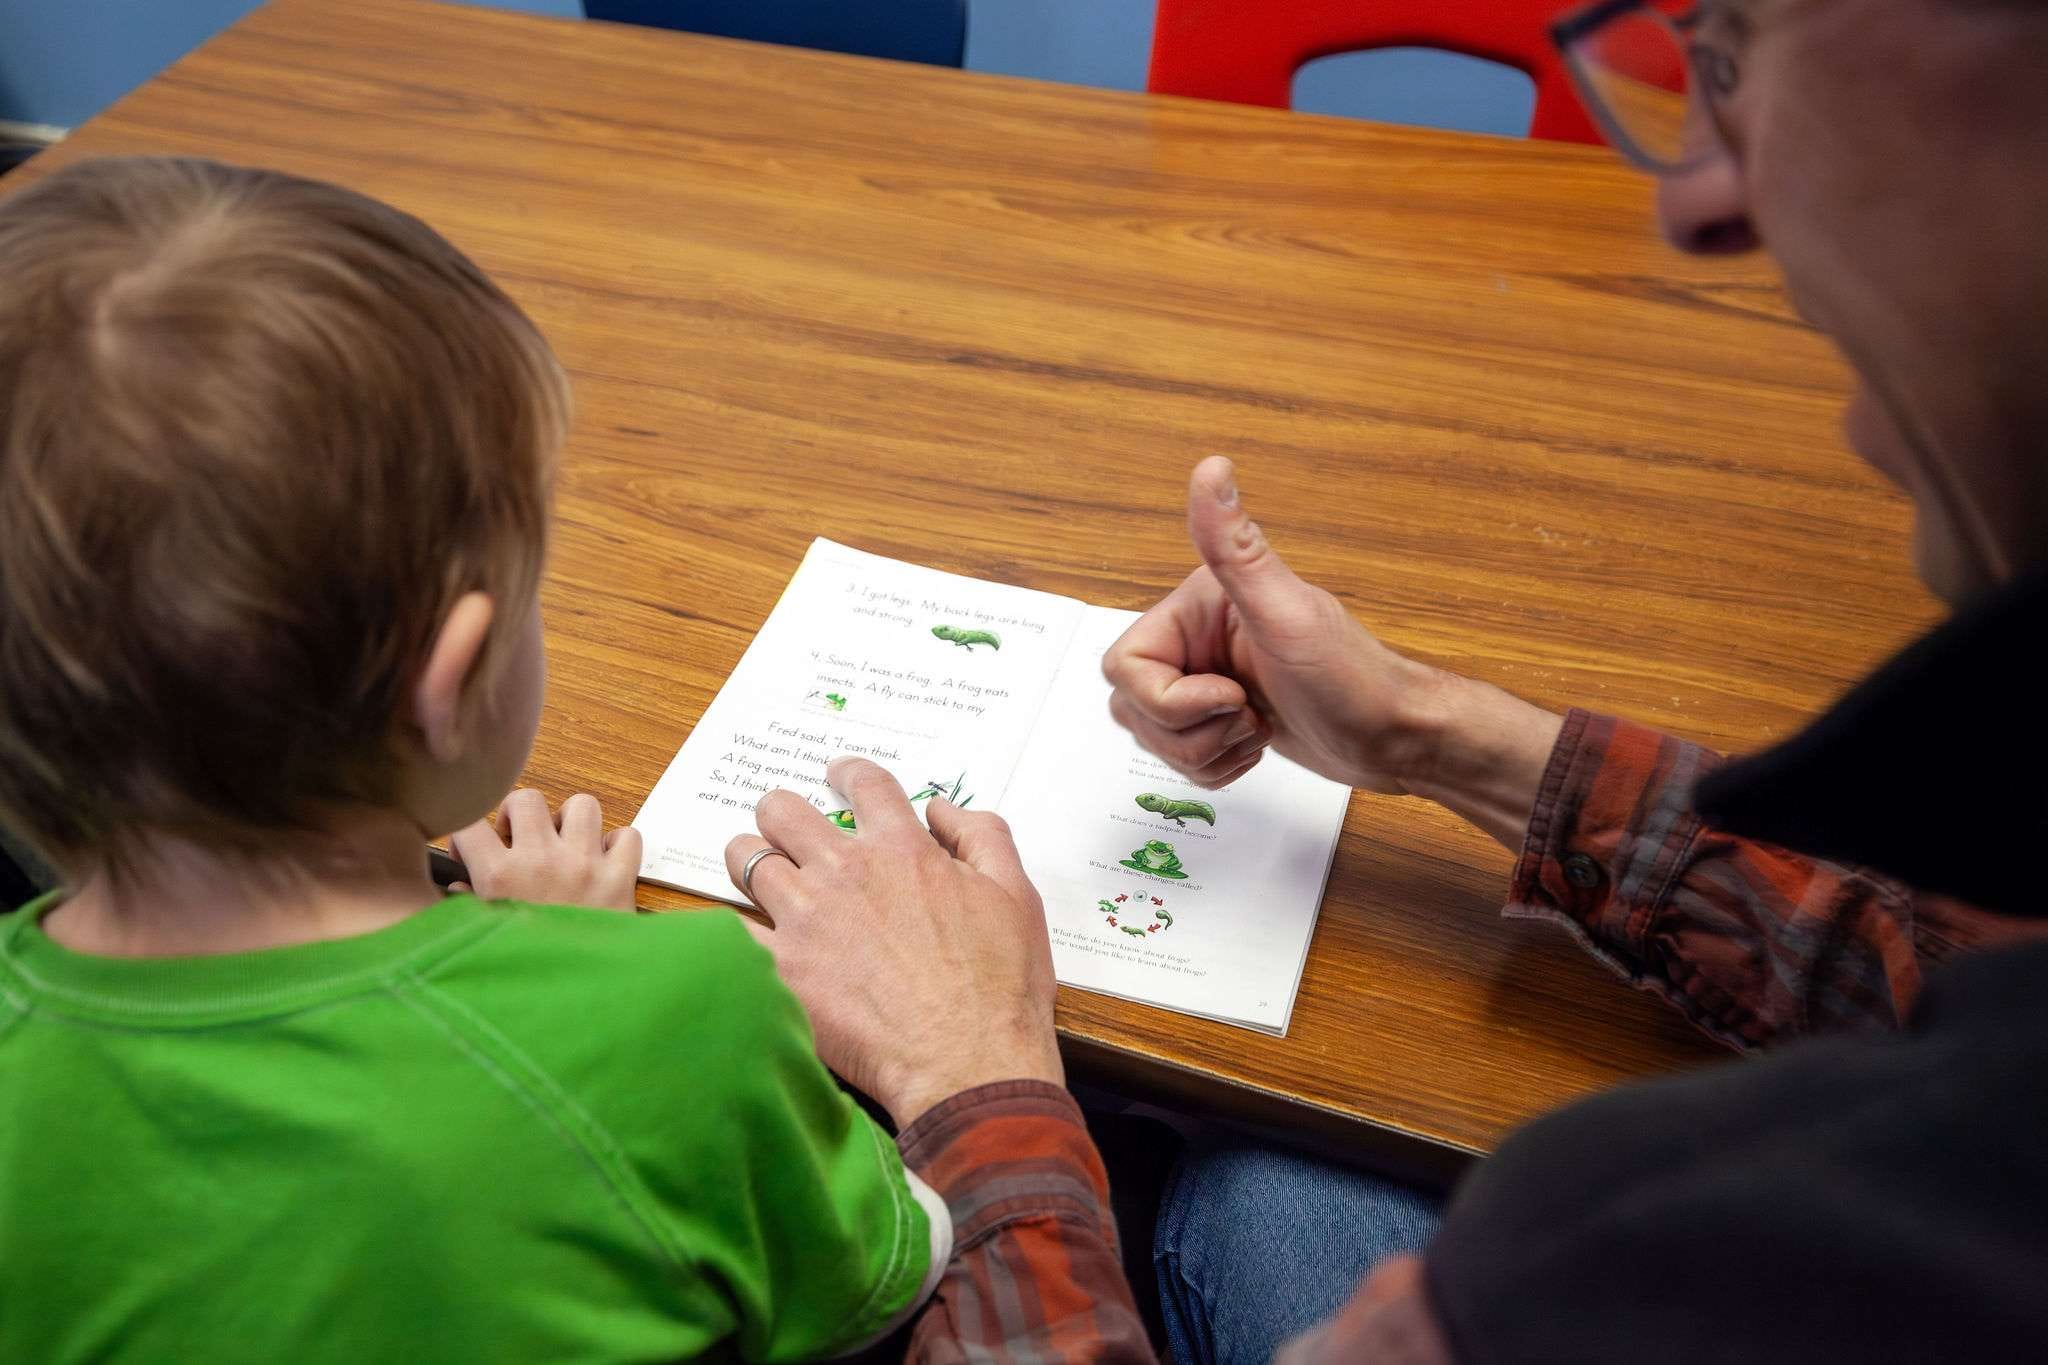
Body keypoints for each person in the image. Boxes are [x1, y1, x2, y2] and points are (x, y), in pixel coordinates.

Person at [726, 0, 2048, 1359]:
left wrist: (967, 1069)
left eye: (1729, 60)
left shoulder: (1593, 1275)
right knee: (1279, 1165)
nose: (1695, 201)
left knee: (1267, 1173)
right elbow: (1938, 955)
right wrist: (1429, 732)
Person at [0, 157, 948, 1362]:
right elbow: (891, 1268)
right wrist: (578, 975)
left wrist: (544, 973)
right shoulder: (673, 1015)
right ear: (446, 684)